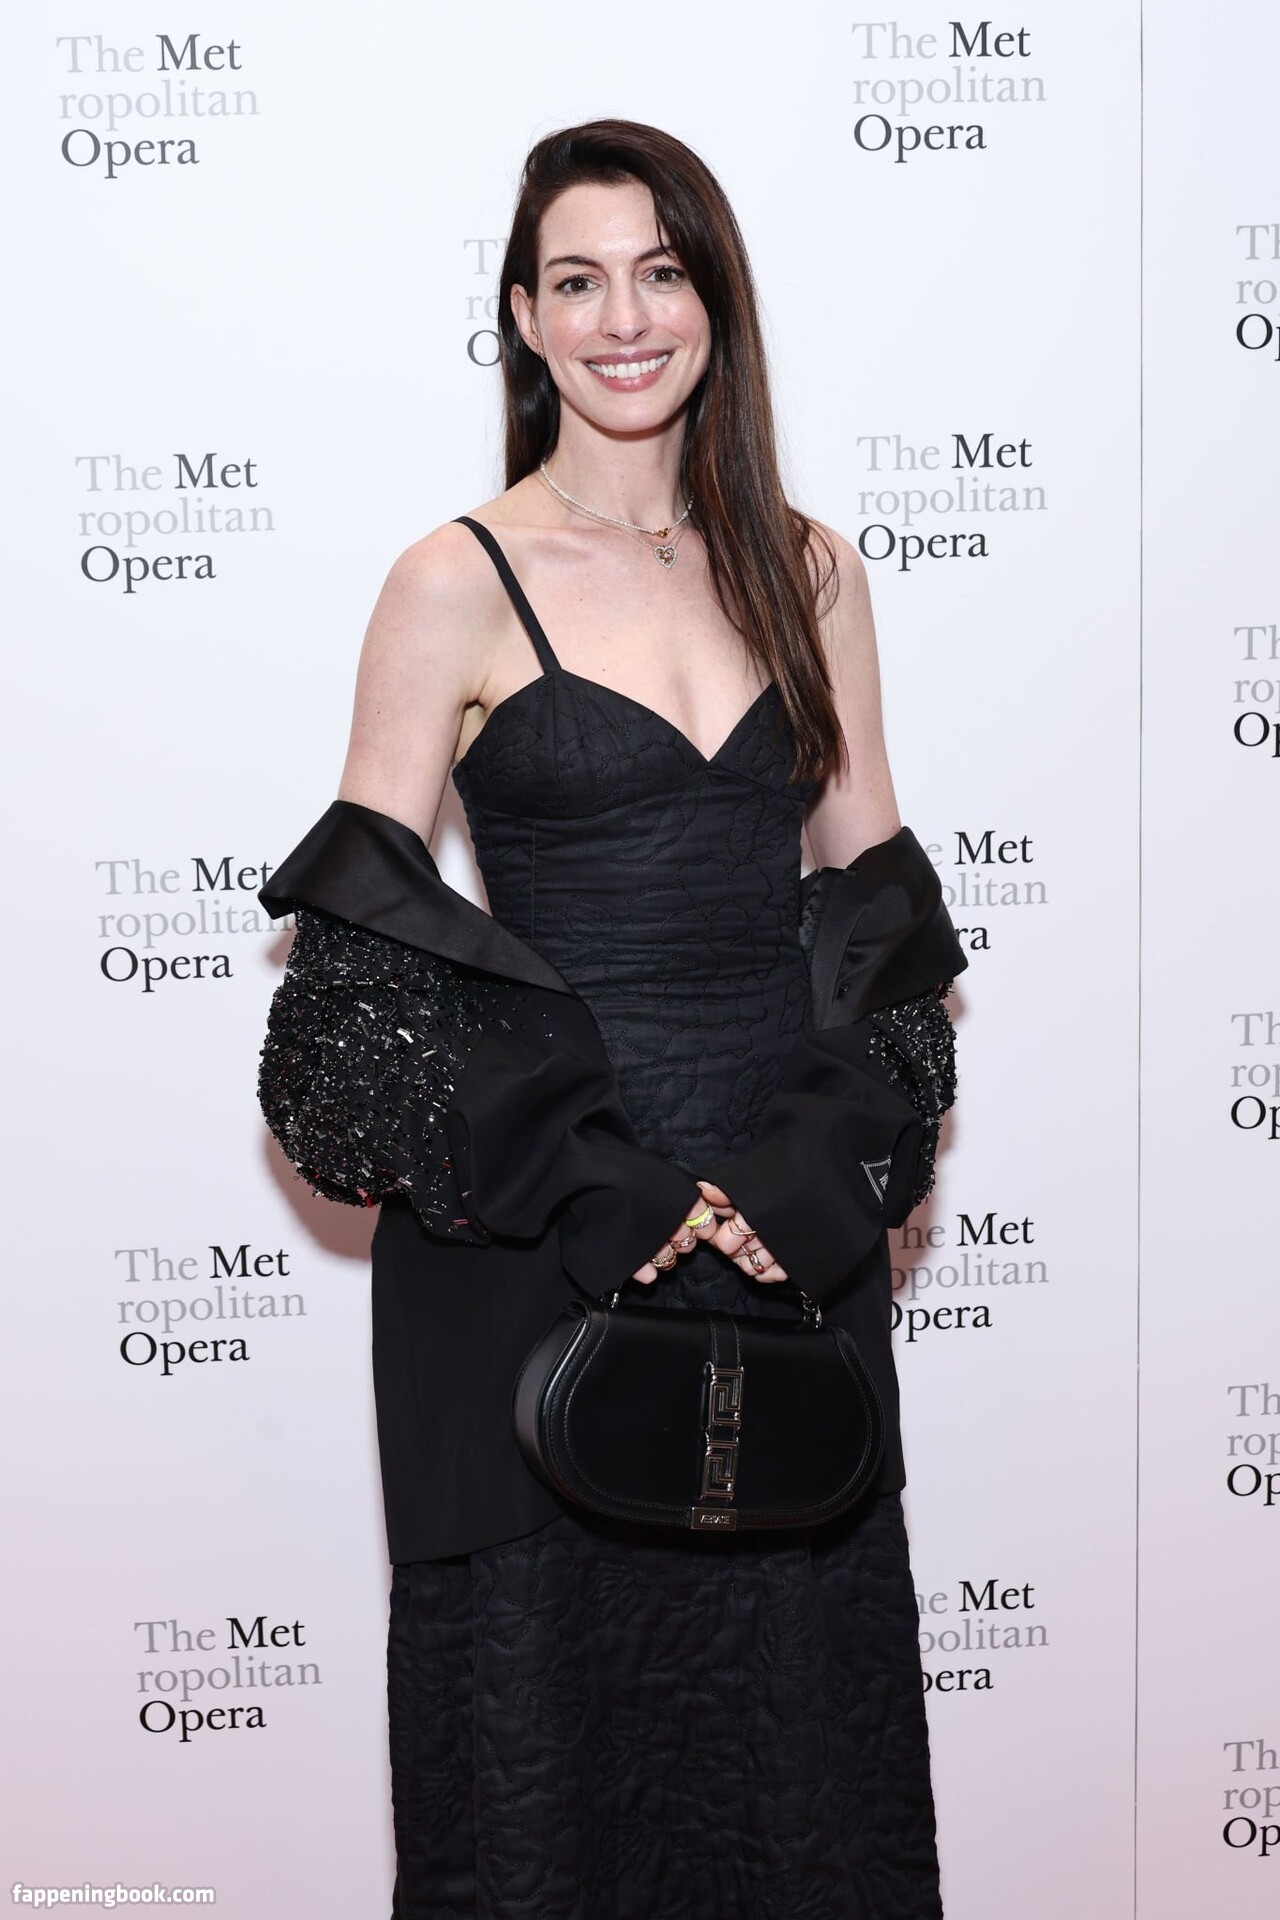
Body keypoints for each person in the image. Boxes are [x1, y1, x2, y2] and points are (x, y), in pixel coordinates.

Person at [258, 119, 966, 1920]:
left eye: (660, 272)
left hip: (785, 1246)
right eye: (577, 280)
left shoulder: (810, 571)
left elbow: (881, 917)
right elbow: (348, 997)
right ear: (523, 316)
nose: (623, 318)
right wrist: (594, 1183)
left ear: (714, 301)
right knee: (550, 1785)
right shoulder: (453, 580)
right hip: (544, 1253)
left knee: (801, 1778)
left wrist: (808, 1180)